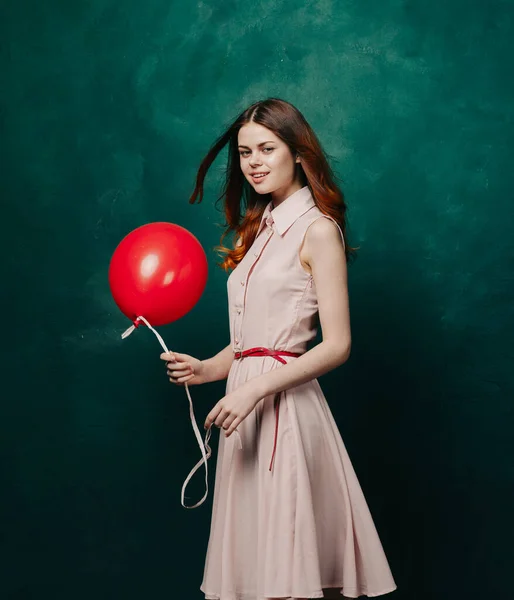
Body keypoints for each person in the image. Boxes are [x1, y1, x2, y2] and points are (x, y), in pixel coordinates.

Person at [160, 98, 397, 599]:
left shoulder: (317, 230)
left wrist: (252, 392)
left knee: (287, 572)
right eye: (246, 152)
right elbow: (254, 340)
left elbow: (337, 345)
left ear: (297, 152)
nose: (255, 162)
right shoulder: (258, 230)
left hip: (284, 414)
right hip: (243, 417)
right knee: (253, 570)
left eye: (267, 148)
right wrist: (206, 369)